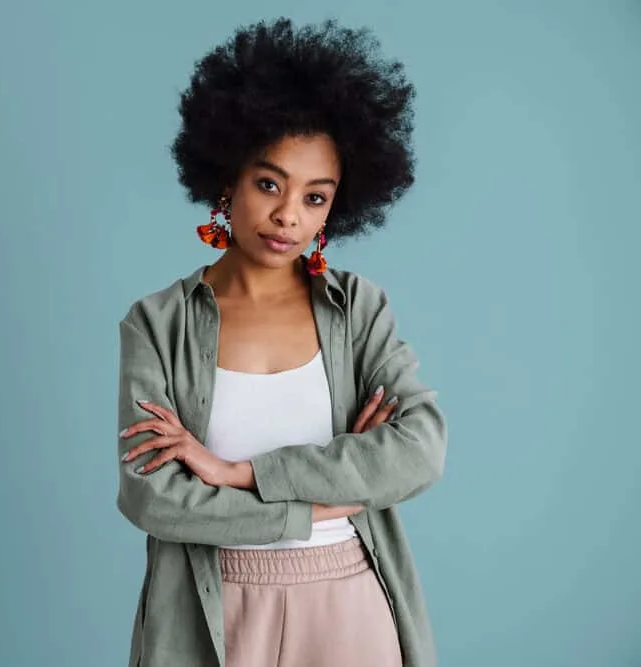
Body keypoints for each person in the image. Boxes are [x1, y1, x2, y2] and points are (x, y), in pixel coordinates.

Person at [114, 17, 448, 667]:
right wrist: (328, 500)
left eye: (315, 196)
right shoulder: (156, 324)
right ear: (227, 180)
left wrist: (242, 474)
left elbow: (420, 448)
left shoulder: (359, 312)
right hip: (215, 608)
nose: (288, 216)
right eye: (269, 183)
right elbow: (152, 496)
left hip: (349, 602)